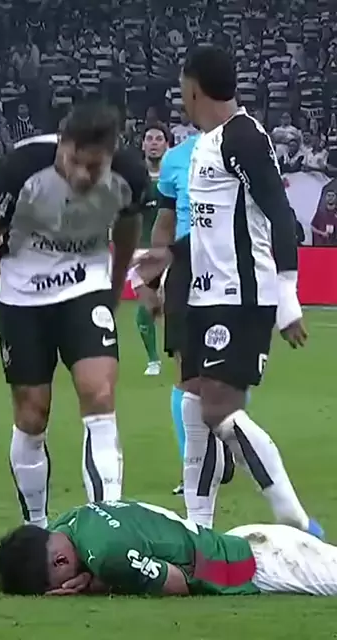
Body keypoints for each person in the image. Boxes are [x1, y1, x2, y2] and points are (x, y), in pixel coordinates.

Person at [131, 45, 323, 536]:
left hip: (240, 296)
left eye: (182, 88)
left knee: (219, 409)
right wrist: (168, 256)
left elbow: (280, 215)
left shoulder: (244, 138)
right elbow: (210, 228)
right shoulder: (207, 145)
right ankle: (199, 529)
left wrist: (287, 299)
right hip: (203, 294)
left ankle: (294, 517)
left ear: (193, 88)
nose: (181, 98)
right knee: (193, 401)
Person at [0, 102, 147, 529]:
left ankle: (106, 526)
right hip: (23, 294)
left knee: (99, 394)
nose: (82, 174)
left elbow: (127, 228)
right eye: (73, 161)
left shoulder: (130, 176)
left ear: (111, 154)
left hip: (85, 285)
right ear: (61, 143)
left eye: (93, 167)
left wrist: (114, 286)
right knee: (32, 414)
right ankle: (37, 528)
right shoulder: (22, 167)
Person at [134, 124, 235, 496]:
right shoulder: (175, 159)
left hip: (229, 266)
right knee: (185, 371)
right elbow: (164, 222)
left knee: (229, 370)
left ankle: (223, 444)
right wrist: (152, 279)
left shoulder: (238, 149)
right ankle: (193, 462)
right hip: (184, 269)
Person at [0, 500, 337, 597]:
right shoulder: (70, 520)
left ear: (61, 561)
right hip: (243, 541)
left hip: (266, 565)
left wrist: (96, 584)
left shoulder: (108, 556)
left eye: (56, 584)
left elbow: (178, 583)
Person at [136, 123, 170, 376]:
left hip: (170, 252)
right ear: (143, 145)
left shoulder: (175, 176)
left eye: (159, 139)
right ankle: (153, 360)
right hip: (140, 251)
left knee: (171, 306)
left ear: (167, 145)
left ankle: (183, 353)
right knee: (147, 308)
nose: (154, 143)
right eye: (150, 139)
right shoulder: (135, 179)